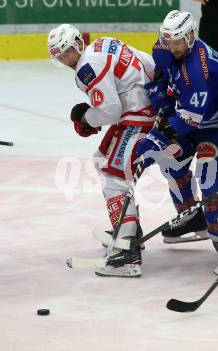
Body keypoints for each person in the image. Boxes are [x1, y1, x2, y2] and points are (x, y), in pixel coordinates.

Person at [47, 24, 207, 278]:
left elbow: (110, 110)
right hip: (151, 111)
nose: (66, 59)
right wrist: (160, 104)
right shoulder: (104, 42)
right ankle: (137, 227)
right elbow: (149, 65)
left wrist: (87, 118)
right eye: (60, 56)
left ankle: (127, 252)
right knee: (105, 160)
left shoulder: (86, 68)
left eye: (68, 52)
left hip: (137, 118)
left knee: (114, 176)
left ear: (78, 43)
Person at [136, 10, 218, 280]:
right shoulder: (164, 48)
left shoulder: (199, 69)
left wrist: (160, 133)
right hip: (189, 117)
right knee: (170, 162)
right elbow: (162, 76)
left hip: (214, 125)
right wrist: (161, 96)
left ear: (191, 37)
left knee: (210, 186)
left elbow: (187, 123)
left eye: (178, 42)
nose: (172, 47)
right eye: (169, 41)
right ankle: (192, 217)